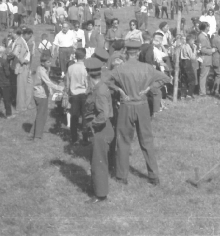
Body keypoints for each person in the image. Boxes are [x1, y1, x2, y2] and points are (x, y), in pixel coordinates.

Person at [107, 40, 171, 185]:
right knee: (147, 141)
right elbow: (166, 78)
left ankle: (121, 176)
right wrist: (150, 88)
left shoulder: (120, 69)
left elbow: (105, 80)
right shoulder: (147, 68)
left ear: (125, 51)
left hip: (126, 106)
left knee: (123, 141)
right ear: (139, 52)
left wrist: (120, 90)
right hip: (142, 106)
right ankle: (154, 176)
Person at [82, 57, 114, 204]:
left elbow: (104, 114)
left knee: (98, 163)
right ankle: (97, 188)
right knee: (96, 161)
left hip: (101, 130)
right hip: (101, 129)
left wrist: (92, 125)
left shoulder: (99, 91)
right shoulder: (98, 87)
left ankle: (100, 195)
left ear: (88, 73)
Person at [30, 55, 64, 141]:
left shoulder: (43, 69)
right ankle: (37, 136)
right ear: (42, 63)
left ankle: (32, 132)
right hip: (40, 95)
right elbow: (49, 82)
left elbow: (46, 82)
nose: (50, 64)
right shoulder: (41, 71)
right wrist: (60, 88)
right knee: (42, 115)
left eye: (50, 62)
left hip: (41, 93)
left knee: (40, 114)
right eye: (48, 62)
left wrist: (50, 91)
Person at [66, 48, 89, 144]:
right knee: (85, 116)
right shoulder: (85, 68)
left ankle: (74, 138)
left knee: (74, 116)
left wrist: (67, 93)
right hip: (84, 93)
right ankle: (85, 138)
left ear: (75, 56)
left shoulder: (70, 68)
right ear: (85, 56)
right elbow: (87, 83)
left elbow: (67, 83)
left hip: (74, 94)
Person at [0, 45, 15, 124]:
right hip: (4, 83)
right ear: (2, 52)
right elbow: (7, 73)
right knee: (6, 99)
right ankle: (8, 114)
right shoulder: (4, 61)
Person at [13, 27, 34, 112]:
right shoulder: (20, 41)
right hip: (22, 66)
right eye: (30, 36)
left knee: (30, 84)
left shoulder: (24, 41)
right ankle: (21, 107)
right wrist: (22, 60)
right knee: (21, 87)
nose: (31, 37)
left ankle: (27, 103)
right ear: (25, 34)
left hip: (27, 66)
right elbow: (15, 52)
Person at [197, 22, 214, 96]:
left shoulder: (204, 36)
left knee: (204, 75)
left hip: (207, 58)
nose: (209, 27)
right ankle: (202, 92)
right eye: (208, 26)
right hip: (205, 58)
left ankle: (203, 90)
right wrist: (211, 51)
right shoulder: (202, 37)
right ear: (205, 27)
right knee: (203, 76)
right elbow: (202, 49)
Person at [179, 34, 197, 99]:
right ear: (190, 41)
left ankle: (182, 95)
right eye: (193, 41)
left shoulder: (182, 46)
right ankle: (189, 94)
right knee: (192, 79)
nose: (194, 42)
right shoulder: (188, 47)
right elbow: (193, 58)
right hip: (187, 62)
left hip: (182, 62)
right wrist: (194, 49)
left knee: (184, 80)